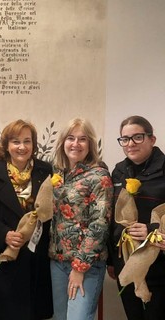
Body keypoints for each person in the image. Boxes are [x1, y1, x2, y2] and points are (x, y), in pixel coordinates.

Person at [0, 119, 53, 320]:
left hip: (37, 258)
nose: (22, 147)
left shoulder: (46, 172)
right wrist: (4, 234)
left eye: (27, 141)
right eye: (16, 141)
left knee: (35, 313)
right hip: (6, 258)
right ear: (6, 145)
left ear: (34, 145)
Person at [49, 118, 113, 320]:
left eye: (82, 139)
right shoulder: (57, 174)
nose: (75, 144)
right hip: (57, 262)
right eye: (71, 138)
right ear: (63, 142)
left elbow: (100, 225)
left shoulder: (99, 176)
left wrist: (79, 267)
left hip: (86, 265)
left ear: (90, 145)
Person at [107, 115, 165, 320]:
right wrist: (110, 261)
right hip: (125, 263)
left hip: (158, 267)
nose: (130, 144)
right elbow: (112, 216)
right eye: (125, 139)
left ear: (152, 139)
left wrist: (151, 230)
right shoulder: (119, 171)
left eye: (137, 137)